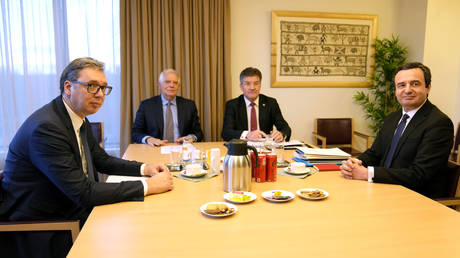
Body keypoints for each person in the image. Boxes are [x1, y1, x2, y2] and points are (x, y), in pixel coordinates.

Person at [0, 57, 174, 258]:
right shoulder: (46, 128)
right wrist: (149, 186)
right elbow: (82, 193)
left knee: (145, 226)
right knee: (135, 240)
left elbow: (102, 160)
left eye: (103, 88)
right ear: (68, 87)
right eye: (91, 86)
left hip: (68, 206)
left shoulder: (76, 116)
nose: (100, 95)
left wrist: (145, 169)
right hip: (43, 225)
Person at [340, 62, 453, 198]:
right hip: (384, 189)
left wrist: (367, 173)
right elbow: (374, 154)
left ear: (428, 88)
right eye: (401, 85)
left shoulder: (439, 123)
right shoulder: (392, 118)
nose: (407, 90)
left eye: (415, 84)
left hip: (416, 199)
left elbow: (419, 175)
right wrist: (355, 163)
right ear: (396, 90)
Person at [132, 69, 204, 146]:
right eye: (167, 82)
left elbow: (198, 133)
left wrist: (191, 138)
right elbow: (136, 133)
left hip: (182, 150)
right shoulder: (146, 105)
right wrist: (148, 139)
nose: (172, 85)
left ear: (178, 86)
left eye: (175, 83)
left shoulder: (189, 105)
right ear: (159, 85)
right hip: (155, 150)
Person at [221, 67, 291, 142]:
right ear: (241, 86)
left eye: (256, 83)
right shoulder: (232, 105)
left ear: (260, 85)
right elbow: (226, 133)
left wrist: (281, 134)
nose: (252, 87)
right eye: (247, 84)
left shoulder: (271, 103)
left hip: (265, 148)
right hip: (242, 147)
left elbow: (286, 128)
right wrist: (247, 135)